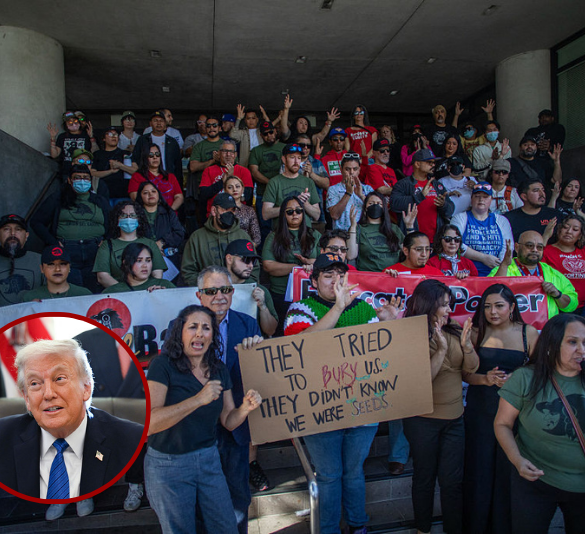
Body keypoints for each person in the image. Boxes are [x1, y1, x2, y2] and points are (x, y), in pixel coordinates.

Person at [284, 253, 401, 534]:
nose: (335, 281)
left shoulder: (364, 308)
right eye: (327, 276)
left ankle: (357, 525)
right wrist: (337, 308)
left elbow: (384, 355)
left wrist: (390, 324)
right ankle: (328, 530)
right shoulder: (300, 308)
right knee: (329, 475)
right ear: (313, 281)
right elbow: (297, 347)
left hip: (363, 407)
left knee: (353, 473)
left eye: (340, 275)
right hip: (319, 409)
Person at [145, 304, 262, 533]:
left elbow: (228, 420)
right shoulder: (162, 365)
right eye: (193, 327)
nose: (199, 333)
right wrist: (198, 399)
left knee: (226, 526)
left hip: (208, 458)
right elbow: (149, 422)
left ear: (212, 336)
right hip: (168, 464)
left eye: (206, 328)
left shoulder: (218, 369)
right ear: (180, 332)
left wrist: (246, 408)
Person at [0, 339, 143, 512]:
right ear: (26, 399)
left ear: (86, 388)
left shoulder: (131, 438)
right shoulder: (3, 438)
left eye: (60, 379)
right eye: (35, 383)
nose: (48, 394)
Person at [494, 314, 585, 534]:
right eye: (573, 342)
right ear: (552, 344)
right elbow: (502, 424)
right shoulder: (525, 378)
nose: (582, 350)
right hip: (535, 482)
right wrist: (517, 460)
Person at [402, 279, 479, 534]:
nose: (449, 310)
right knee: (424, 479)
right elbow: (423, 380)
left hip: (455, 419)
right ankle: (422, 529)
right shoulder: (410, 331)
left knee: (452, 482)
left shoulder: (455, 327)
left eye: (450, 304)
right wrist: (441, 350)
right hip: (423, 420)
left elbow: (470, 369)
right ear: (428, 304)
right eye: (444, 305)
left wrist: (467, 347)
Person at [462, 284, 539, 534]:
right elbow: (464, 374)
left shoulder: (529, 333)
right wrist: (485, 379)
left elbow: (538, 374)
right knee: (479, 468)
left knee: (508, 470)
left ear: (512, 307)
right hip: (480, 410)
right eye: (487, 306)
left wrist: (516, 379)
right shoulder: (475, 333)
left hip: (515, 413)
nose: (492, 312)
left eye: (499, 306)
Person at [194, 266, 263, 533]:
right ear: (199, 295)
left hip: (237, 427)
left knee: (238, 498)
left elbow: (260, 374)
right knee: (202, 502)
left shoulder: (248, 324)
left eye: (225, 290)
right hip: (199, 429)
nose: (219, 296)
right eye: (211, 291)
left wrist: (258, 351)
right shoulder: (185, 327)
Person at [31, 164, 110, 292]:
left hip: (95, 251)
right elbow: (37, 222)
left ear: (90, 181)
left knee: (94, 291)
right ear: (69, 180)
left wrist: (106, 239)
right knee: (73, 292)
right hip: (67, 251)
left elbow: (113, 223)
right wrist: (54, 243)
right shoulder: (58, 198)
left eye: (85, 178)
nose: (82, 181)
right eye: (77, 178)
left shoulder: (100, 201)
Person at [262, 196, 321, 333]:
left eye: (298, 210)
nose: (294, 214)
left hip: (310, 295)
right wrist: (297, 269)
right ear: (283, 214)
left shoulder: (315, 235)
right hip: (280, 294)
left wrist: (311, 263)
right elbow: (267, 265)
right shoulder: (273, 236)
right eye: (289, 211)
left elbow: (323, 262)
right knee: (283, 335)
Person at [490, 231, 578, 318]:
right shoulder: (504, 268)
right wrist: (504, 265)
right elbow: (488, 295)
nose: (535, 250)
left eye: (539, 247)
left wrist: (558, 295)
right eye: (529, 246)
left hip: (545, 330)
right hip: (513, 330)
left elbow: (571, 306)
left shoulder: (552, 273)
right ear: (517, 247)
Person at [181, 193, 258, 286]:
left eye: (233, 210)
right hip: (208, 294)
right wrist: (207, 286)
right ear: (214, 210)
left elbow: (254, 268)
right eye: (225, 209)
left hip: (239, 292)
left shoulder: (243, 236)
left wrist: (243, 286)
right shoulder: (197, 238)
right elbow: (188, 271)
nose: (230, 214)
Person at [93, 201, 166, 288]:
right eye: (123, 215)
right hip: (119, 295)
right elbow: (102, 276)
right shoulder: (107, 245)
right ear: (117, 220)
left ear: (139, 219)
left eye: (132, 215)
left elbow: (157, 274)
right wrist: (125, 292)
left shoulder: (150, 243)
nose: (128, 218)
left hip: (147, 292)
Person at [389, 148, 454, 242]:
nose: (433, 165)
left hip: (436, 241)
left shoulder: (436, 184)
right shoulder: (402, 184)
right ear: (417, 164)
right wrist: (419, 197)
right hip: (413, 241)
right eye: (429, 162)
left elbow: (450, 210)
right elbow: (394, 204)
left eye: (434, 162)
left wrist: (444, 205)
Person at [451, 182, 514, 276]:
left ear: (491, 200)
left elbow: (508, 247)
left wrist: (499, 266)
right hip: (466, 273)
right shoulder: (459, 218)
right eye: (477, 196)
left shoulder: (502, 221)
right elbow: (454, 244)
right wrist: (483, 258)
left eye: (485, 197)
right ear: (471, 199)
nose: (481, 199)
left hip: (495, 272)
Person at [225, 239, 278, 337]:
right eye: (246, 260)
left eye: (253, 261)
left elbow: (270, 331)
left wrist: (263, 307)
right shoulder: (215, 289)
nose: (250, 266)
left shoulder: (261, 290)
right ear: (229, 259)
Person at [347, 191, 408, 272]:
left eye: (379, 204)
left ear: (384, 208)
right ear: (365, 207)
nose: (375, 206)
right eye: (371, 203)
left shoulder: (394, 228)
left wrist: (409, 226)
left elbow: (409, 253)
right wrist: (353, 227)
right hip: (368, 277)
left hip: (393, 276)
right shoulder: (358, 229)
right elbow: (350, 255)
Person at [262, 143, 321, 226]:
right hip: (282, 234)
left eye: (299, 158)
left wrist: (304, 203)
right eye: (292, 157)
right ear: (284, 159)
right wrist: (293, 204)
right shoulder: (274, 182)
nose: (296, 162)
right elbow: (266, 214)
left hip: (305, 234)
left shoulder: (308, 182)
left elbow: (317, 215)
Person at [248, 121, 287, 244]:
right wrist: (271, 183)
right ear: (261, 135)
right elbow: (254, 172)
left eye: (271, 132)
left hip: (283, 194)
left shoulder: (284, 148)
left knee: (283, 225)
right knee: (264, 227)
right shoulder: (256, 150)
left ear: (275, 131)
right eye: (265, 134)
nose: (269, 136)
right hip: (262, 194)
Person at [543, 214, 585, 313]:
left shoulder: (583, 251)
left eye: (575, 229)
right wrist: (545, 236)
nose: (569, 231)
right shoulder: (546, 251)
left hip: (583, 307)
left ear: (580, 236)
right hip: (558, 304)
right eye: (565, 227)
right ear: (559, 230)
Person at [135, 180, 185, 263]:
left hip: (167, 255)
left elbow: (179, 233)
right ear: (140, 197)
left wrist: (162, 242)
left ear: (158, 194)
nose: (150, 194)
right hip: (141, 256)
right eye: (146, 193)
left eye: (153, 191)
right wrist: (152, 248)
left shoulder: (168, 212)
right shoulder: (135, 214)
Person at [199, 140, 254, 215]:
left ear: (235, 154)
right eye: (225, 151)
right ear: (219, 153)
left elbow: (247, 196)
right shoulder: (209, 170)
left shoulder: (244, 171)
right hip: (215, 214)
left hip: (238, 213)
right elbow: (203, 194)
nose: (228, 154)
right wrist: (222, 181)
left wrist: (230, 179)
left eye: (231, 151)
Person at [0, 214, 43, 306]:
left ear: (26, 235)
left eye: (18, 229)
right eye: (6, 229)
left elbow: (53, 295)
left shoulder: (40, 260)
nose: (12, 233)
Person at [20, 245, 91, 302]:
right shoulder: (30, 298)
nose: (57, 269)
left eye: (63, 264)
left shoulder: (84, 295)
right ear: (42, 269)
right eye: (51, 264)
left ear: (69, 267)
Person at [128, 143, 184, 212]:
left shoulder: (170, 176)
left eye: (157, 154)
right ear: (145, 157)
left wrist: (169, 211)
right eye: (151, 155)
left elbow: (179, 197)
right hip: (147, 216)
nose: (155, 157)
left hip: (169, 216)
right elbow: (135, 198)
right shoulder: (137, 176)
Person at [326, 153, 373, 231]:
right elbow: (334, 215)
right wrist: (348, 193)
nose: (351, 172)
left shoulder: (368, 189)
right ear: (341, 170)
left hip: (364, 234)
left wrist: (361, 196)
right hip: (341, 235)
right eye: (347, 169)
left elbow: (375, 213)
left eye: (355, 169)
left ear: (359, 170)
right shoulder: (333, 189)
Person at [105, 243, 176, 293]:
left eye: (148, 260)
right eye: (139, 261)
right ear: (125, 263)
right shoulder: (112, 292)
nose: (145, 265)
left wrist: (166, 295)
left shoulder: (165, 286)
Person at [91, 126, 137, 202]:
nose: (113, 137)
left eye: (116, 134)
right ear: (104, 138)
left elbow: (136, 171)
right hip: (103, 194)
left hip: (123, 194)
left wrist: (120, 166)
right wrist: (110, 171)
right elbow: (92, 173)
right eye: (110, 134)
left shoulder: (126, 154)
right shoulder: (97, 154)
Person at [132, 111, 183, 178]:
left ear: (165, 124)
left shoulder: (172, 142)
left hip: (167, 178)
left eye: (161, 121)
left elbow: (178, 164)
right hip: (147, 177)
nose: (158, 123)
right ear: (150, 123)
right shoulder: (143, 140)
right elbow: (136, 158)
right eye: (155, 120)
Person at [47, 111, 97, 179]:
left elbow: (95, 152)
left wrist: (91, 137)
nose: (73, 123)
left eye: (75, 120)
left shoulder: (86, 135)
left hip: (83, 171)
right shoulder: (62, 136)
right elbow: (54, 155)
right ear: (66, 125)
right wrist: (53, 139)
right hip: (66, 171)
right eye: (70, 122)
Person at [224, 175, 261, 246]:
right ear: (225, 190)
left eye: (237, 186)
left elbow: (257, 238)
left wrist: (246, 250)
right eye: (230, 187)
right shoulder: (221, 210)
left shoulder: (249, 210)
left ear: (242, 189)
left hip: (245, 249)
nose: (234, 190)